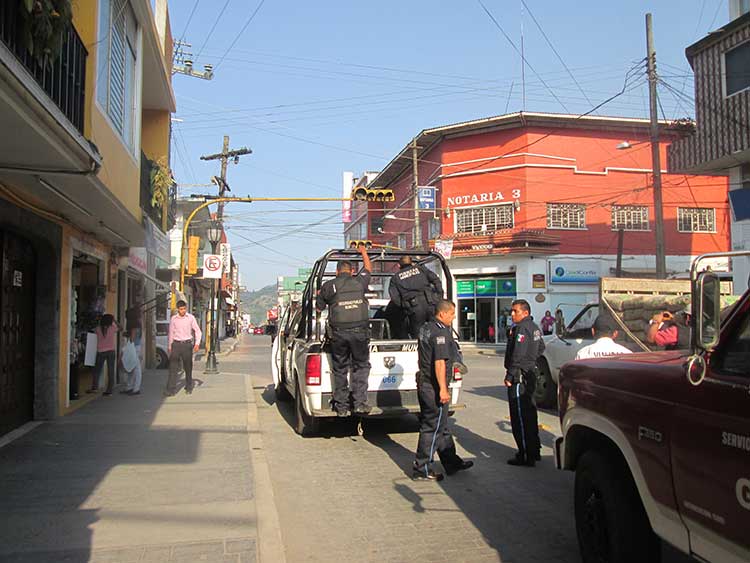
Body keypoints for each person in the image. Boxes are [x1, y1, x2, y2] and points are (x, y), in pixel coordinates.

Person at [413, 300, 474, 481]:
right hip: (433, 387)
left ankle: (451, 462)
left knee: (442, 426)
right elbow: (439, 363)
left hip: (425, 383)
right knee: (432, 428)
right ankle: (422, 468)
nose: (454, 317)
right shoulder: (440, 333)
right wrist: (443, 390)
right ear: (442, 314)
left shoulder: (426, 328)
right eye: (452, 314)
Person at [316, 244, 372, 416]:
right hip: (360, 333)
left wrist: (320, 294)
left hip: (339, 335)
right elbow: (368, 268)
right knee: (360, 367)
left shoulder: (329, 286)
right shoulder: (359, 281)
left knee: (340, 369)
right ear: (352, 271)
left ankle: (341, 408)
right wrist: (363, 252)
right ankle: (360, 404)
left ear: (337, 272)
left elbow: (318, 309)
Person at [504, 299, 544, 467]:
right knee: (530, 414)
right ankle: (534, 450)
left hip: (520, 377)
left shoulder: (521, 328)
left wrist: (510, 374)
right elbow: (541, 347)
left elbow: (518, 355)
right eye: (511, 311)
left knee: (520, 417)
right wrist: (532, 360)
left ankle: (525, 454)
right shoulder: (534, 327)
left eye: (515, 311)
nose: (512, 314)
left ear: (525, 313)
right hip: (530, 374)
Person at [388, 256, 443, 338]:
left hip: (414, 307)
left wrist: (405, 306)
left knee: (418, 334)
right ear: (411, 263)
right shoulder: (421, 269)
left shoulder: (395, 278)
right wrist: (439, 296)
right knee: (436, 330)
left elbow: (395, 297)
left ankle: (422, 349)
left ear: (399, 265)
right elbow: (435, 279)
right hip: (430, 303)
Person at [165, 300, 202, 396]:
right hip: (176, 345)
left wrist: (197, 344)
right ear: (178, 309)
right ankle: (171, 389)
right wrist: (169, 346)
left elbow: (198, 331)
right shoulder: (174, 319)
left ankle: (189, 386)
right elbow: (171, 333)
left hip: (187, 345)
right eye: (181, 309)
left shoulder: (190, 318)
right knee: (173, 368)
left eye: (184, 309)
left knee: (188, 367)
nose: (183, 311)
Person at [89, 314, 119, 395]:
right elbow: (121, 328)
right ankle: (109, 390)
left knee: (97, 370)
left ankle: (95, 387)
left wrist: (99, 320)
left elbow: (91, 330)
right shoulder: (113, 328)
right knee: (111, 371)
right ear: (111, 321)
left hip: (101, 352)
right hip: (111, 351)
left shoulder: (98, 329)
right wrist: (115, 320)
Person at [119, 328, 142, 395]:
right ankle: (130, 388)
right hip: (133, 347)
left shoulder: (135, 326)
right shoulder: (135, 325)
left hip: (134, 348)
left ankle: (136, 389)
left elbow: (133, 335)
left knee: (136, 369)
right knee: (131, 369)